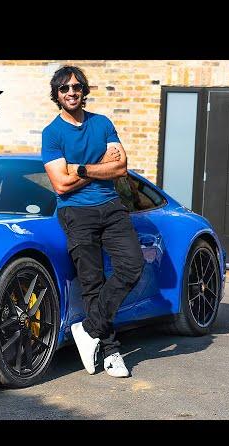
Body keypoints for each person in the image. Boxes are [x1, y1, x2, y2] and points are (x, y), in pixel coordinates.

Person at [41, 65, 144, 378]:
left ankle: (87, 329)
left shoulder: (102, 123)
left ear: (84, 90)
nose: (71, 92)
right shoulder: (52, 133)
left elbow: (121, 168)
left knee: (132, 266)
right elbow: (61, 185)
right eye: (64, 88)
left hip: (111, 207)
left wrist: (81, 168)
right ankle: (111, 351)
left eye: (76, 86)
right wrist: (100, 165)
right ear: (57, 94)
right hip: (76, 212)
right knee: (92, 282)